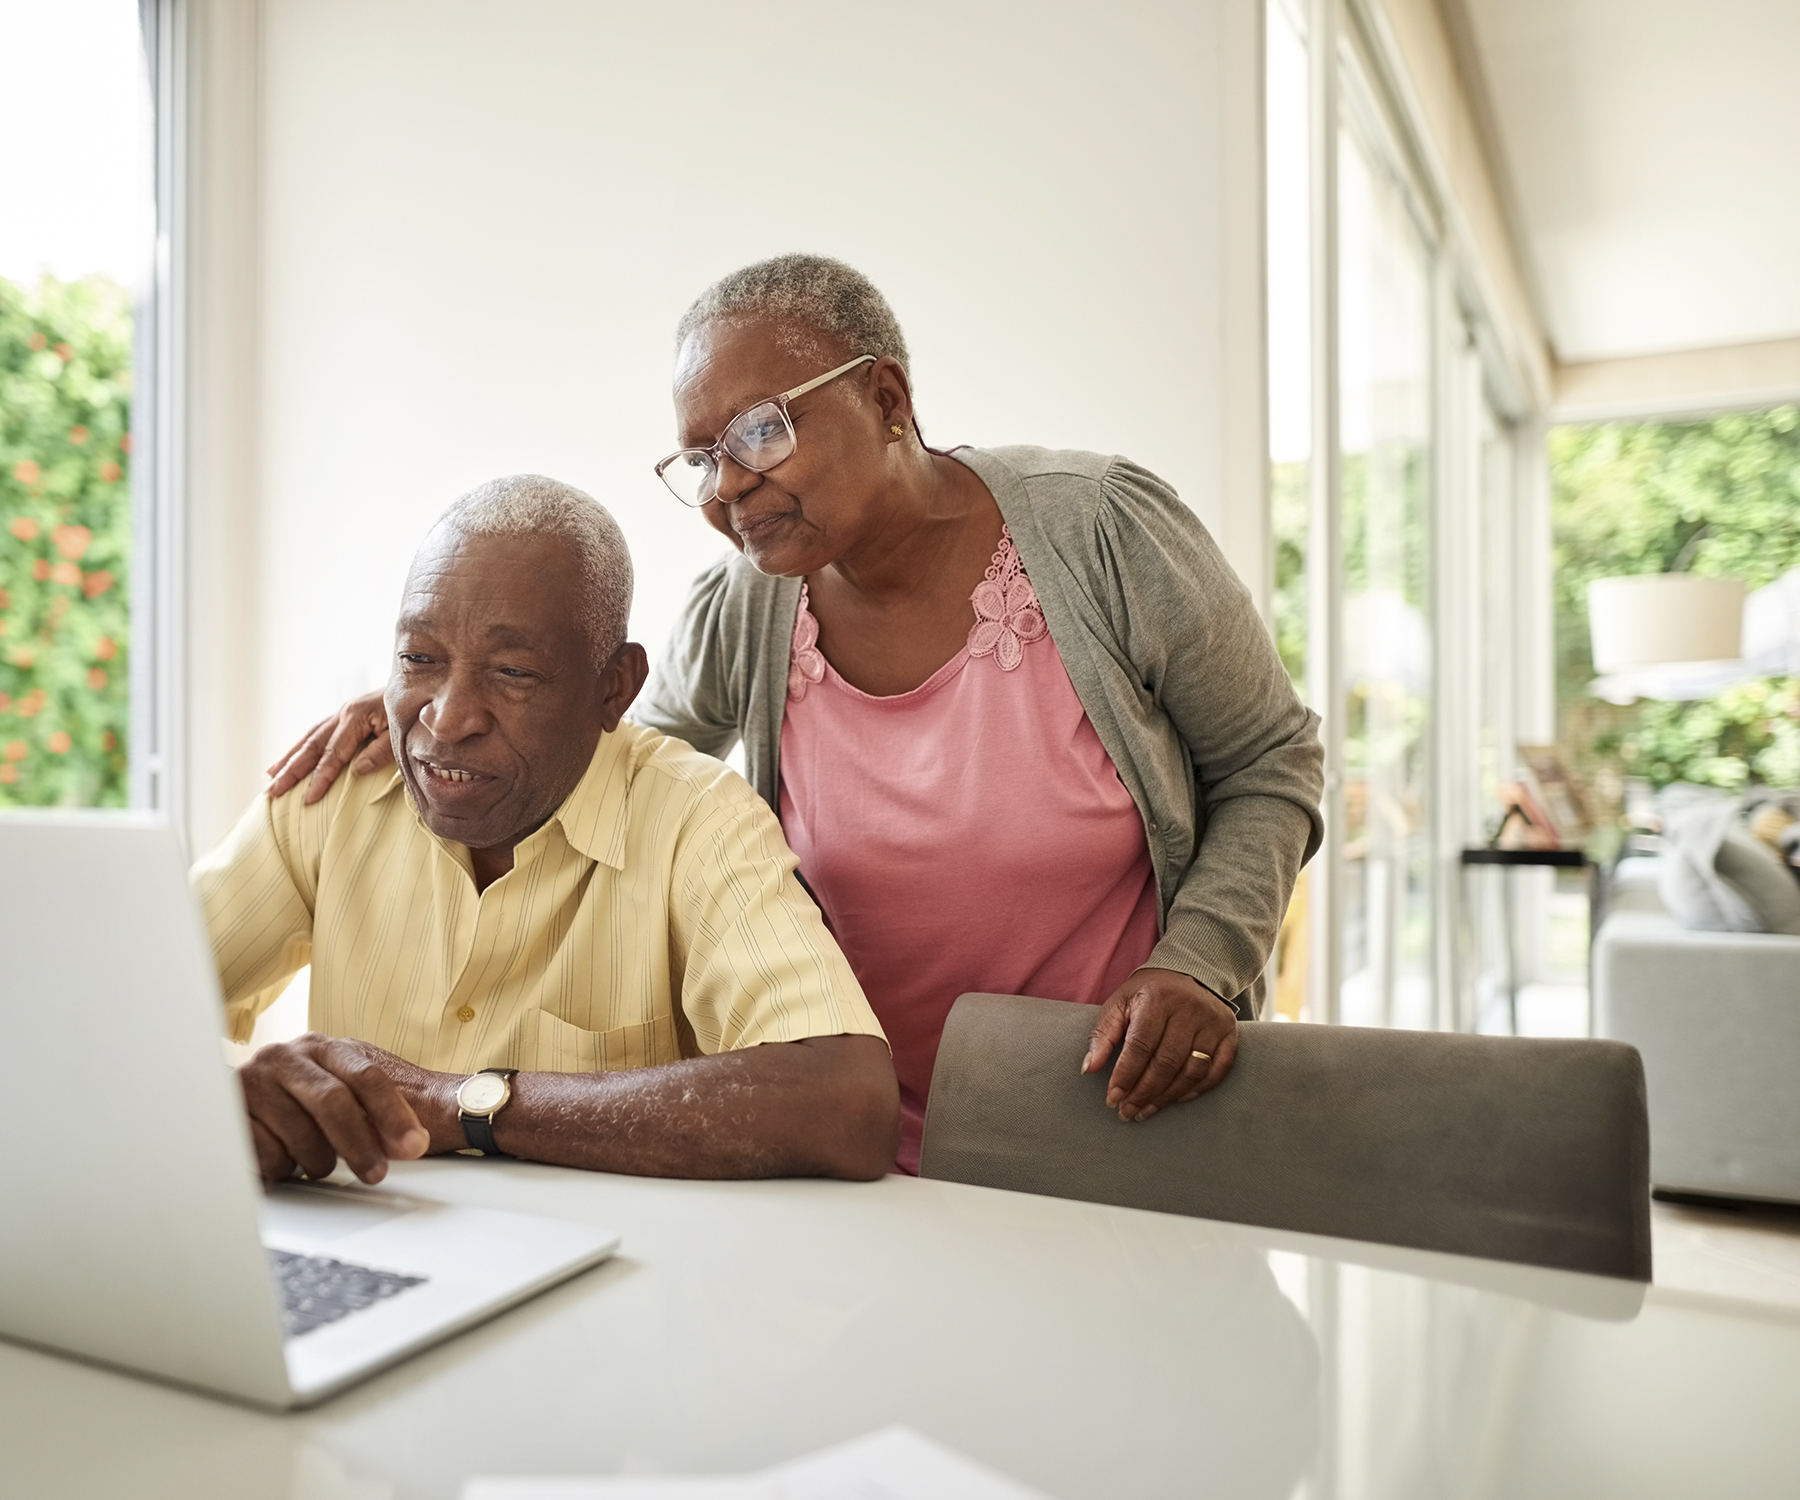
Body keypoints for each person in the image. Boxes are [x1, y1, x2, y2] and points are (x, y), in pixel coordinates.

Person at [267, 257, 1324, 1174]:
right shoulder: (751, 606)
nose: (727, 487)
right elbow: (617, 758)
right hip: (843, 1136)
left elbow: (1272, 761)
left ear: (888, 398)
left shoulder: (1100, 532)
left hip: (1113, 1109)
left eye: (760, 433)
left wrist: (1197, 962)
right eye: (700, 458)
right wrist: (438, 690)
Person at [196, 475, 897, 1184]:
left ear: (614, 687)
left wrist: (457, 1104)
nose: (447, 717)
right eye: (418, 659)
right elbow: (115, 1011)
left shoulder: (697, 820)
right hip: (371, 1257)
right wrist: (246, 1095)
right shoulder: (332, 794)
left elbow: (846, 1104)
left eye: (512, 672)